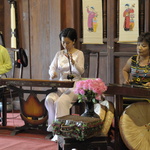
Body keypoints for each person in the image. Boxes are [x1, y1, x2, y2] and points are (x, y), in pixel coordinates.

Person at [44, 28, 85, 142]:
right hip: (62, 84)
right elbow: (52, 67)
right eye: (63, 42)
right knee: (49, 99)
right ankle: (53, 127)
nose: (65, 45)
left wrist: (73, 62)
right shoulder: (59, 54)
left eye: (67, 43)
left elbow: (81, 71)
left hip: (75, 85)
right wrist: (52, 73)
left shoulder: (79, 53)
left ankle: (61, 132)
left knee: (61, 102)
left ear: (74, 41)